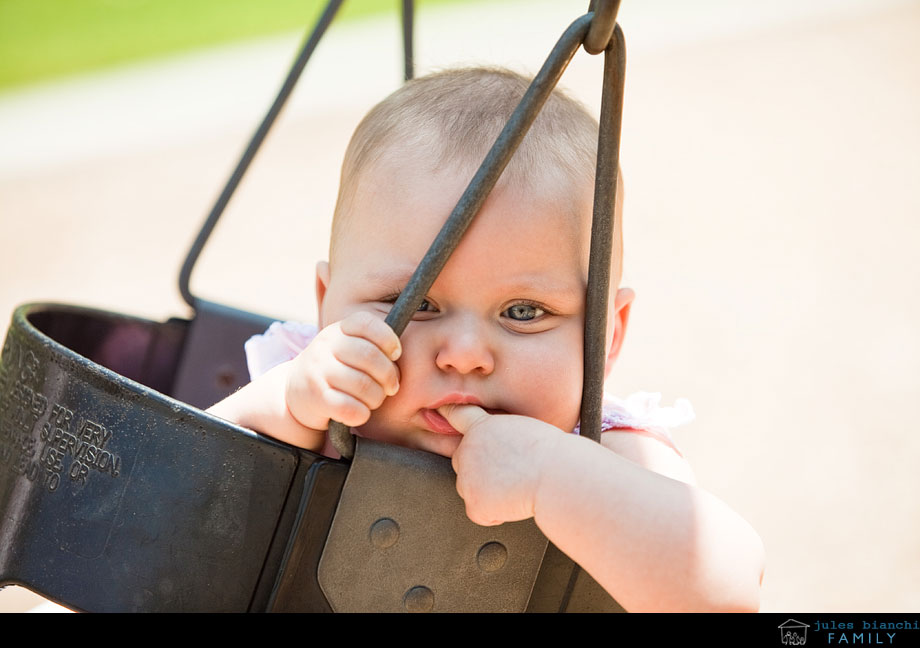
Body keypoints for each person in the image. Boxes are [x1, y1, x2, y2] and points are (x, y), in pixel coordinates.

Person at [208, 67, 764, 612]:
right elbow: (176, 495)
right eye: (416, 302)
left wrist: (555, 475)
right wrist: (286, 404)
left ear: (609, 336)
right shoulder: (312, 378)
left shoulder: (599, 443)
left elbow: (728, 590)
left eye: (524, 311)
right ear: (327, 302)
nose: (467, 355)